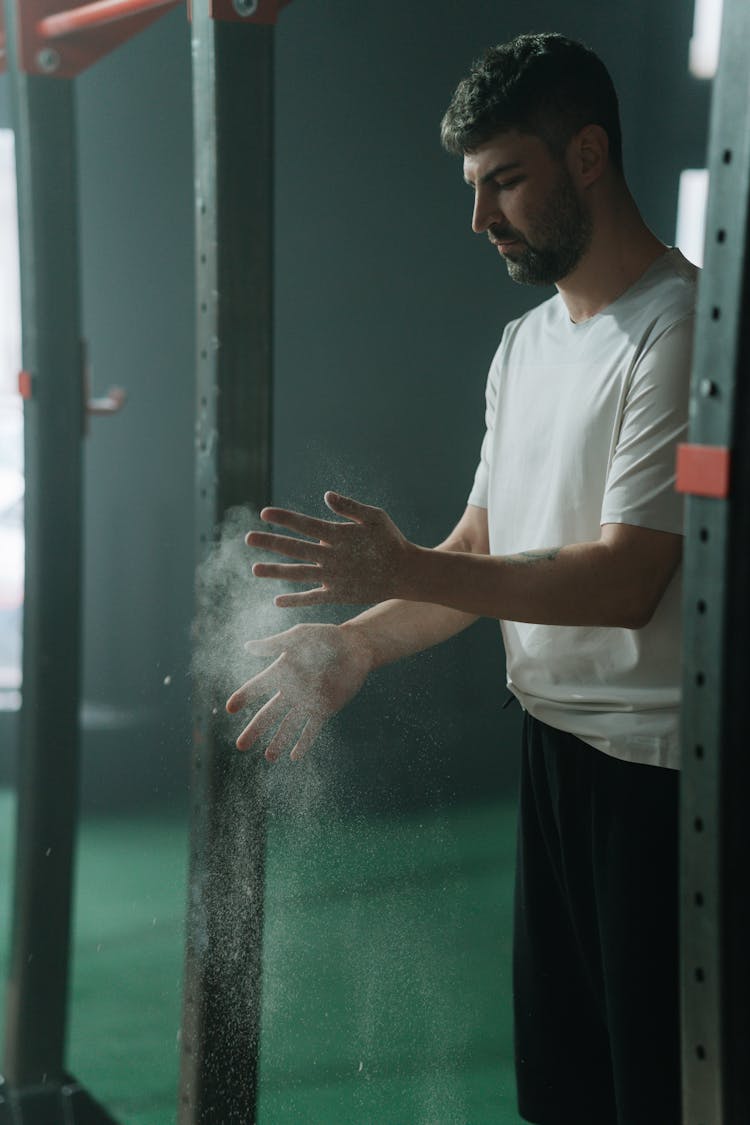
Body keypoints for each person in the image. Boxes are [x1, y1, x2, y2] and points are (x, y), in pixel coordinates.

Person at [226, 32, 695, 1125]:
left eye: (505, 182)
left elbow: (628, 581)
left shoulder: (680, 331)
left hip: (663, 779)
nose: (480, 219)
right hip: (557, 750)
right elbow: (480, 555)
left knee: (661, 1094)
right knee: (568, 1092)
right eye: (474, 188)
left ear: (589, 155)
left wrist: (403, 564)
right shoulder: (525, 346)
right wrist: (360, 640)